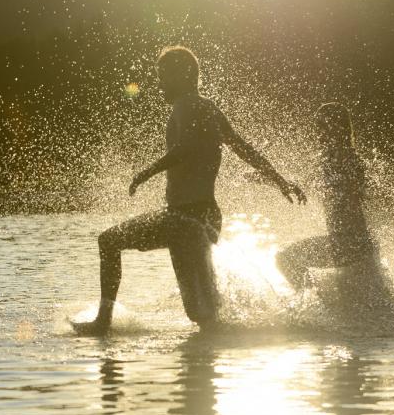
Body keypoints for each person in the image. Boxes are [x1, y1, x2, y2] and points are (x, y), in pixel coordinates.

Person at [73, 46, 305, 336]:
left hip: (183, 218)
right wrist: (279, 179)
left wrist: (146, 172)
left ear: (182, 76)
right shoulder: (209, 107)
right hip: (207, 214)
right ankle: (236, 339)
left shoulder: (185, 106)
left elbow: (185, 149)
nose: (159, 84)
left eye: (163, 77)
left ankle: (102, 322)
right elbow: (244, 148)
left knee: (108, 241)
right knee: (200, 312)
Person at [276, 103, 379, 293]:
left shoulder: (342, 158)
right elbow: (305, 185)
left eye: (323, 126)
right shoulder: (340, 158)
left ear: (337, 128)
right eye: (317, 127)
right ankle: (315, 305)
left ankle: (311, 307)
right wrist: (275, 181)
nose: (318, 133)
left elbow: (354, 192)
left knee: (285, 259)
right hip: (356, 243)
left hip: (349, 244)